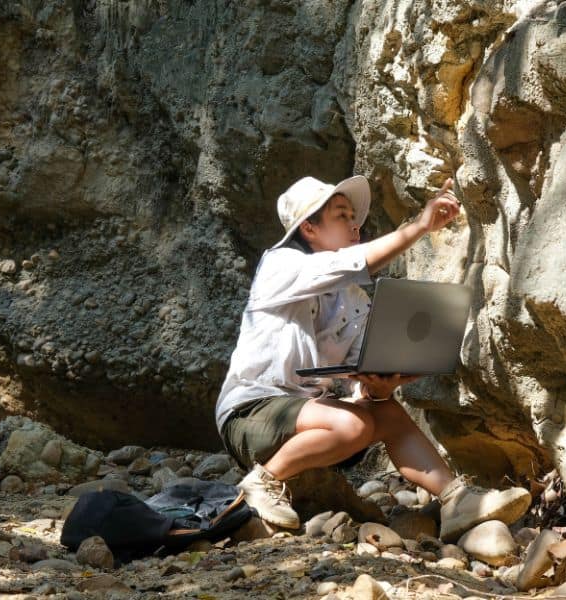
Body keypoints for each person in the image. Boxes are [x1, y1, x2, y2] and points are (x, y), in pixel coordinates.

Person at [215, 174, 531, 541]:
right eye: (342, 215)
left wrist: (380, 388)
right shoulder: (280, 264)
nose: (355, 225)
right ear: (309, 229)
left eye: (355, 217)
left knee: (386, 414)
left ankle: (455, 500)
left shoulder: (354, 299)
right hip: (250, 413)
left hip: (312, 417)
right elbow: (356, 262)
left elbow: (358, 390)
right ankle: (262, 482)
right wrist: (420, 226)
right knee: (354, 426)